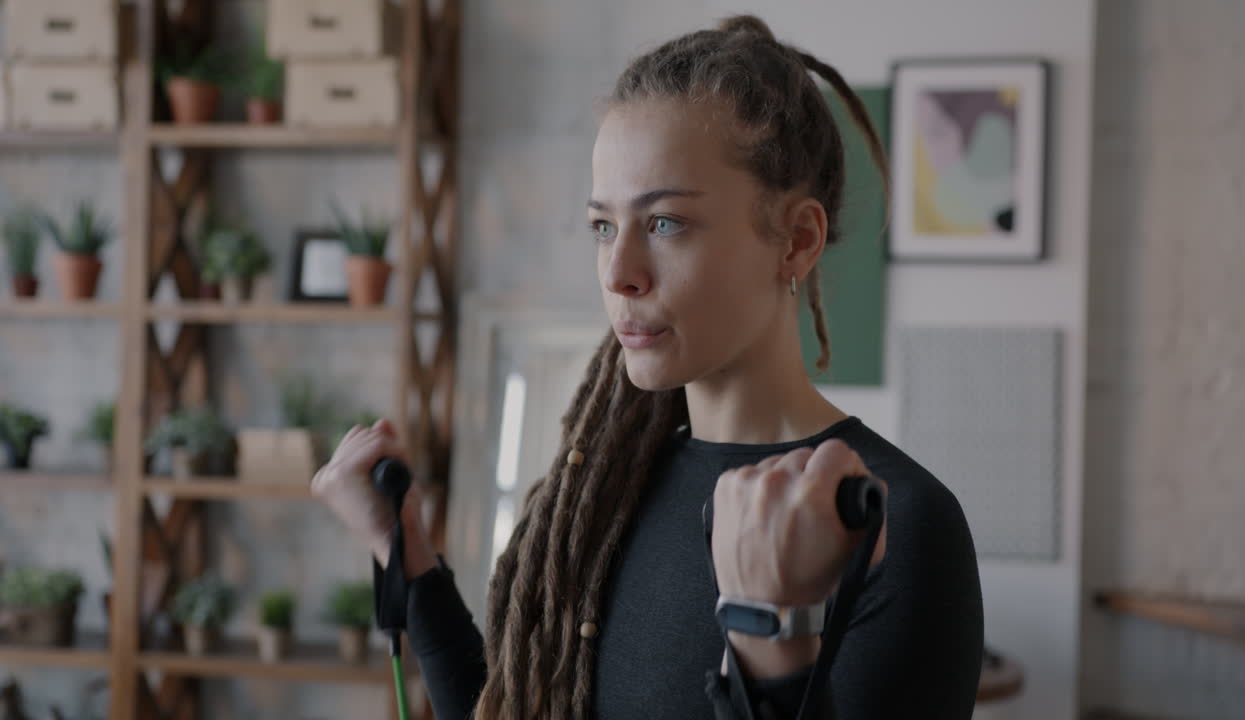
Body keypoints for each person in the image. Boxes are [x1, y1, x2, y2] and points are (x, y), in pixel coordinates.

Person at [313, 14, 983, 720]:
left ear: (797, 240)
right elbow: (511, 705)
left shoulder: (894, 523)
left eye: (665, 223)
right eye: (605, 226)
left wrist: (770, 648)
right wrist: (405, 551)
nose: (619, 272)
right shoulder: (610, 487)